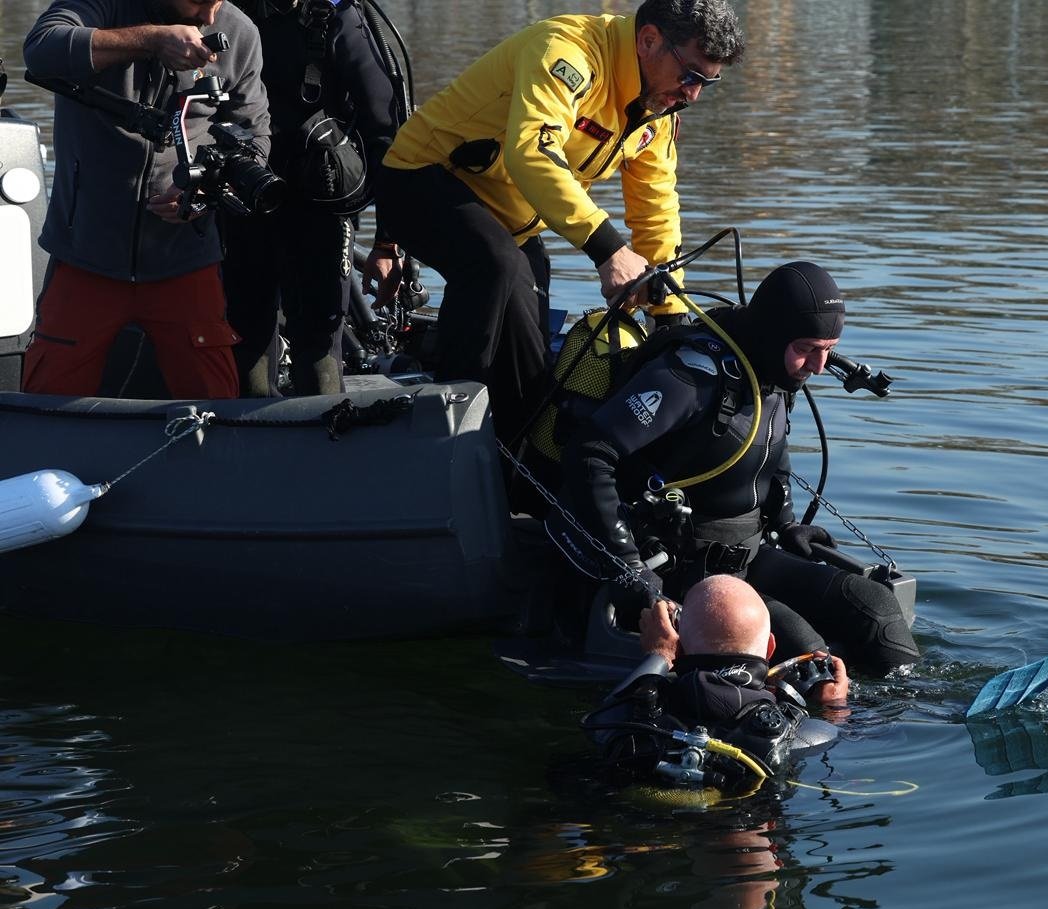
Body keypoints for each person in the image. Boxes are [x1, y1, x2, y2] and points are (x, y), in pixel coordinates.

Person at [371, 0, 744, 457]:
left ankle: (518, 464)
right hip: (419, 176)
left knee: (530, 355)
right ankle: (445, 446)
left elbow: (656, 207)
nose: (693, 94)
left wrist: (668, 315)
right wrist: (608, 250)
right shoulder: (568, 52)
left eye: (708, 82)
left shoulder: (656, 107)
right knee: (494, 268)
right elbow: (531, 152)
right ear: (648, 41)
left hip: (507, 216)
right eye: (691, 75)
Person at [547, 261, 921, 673]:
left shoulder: (772, 374)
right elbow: (591, 451)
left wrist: (786, 521)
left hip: (747, 555)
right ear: (771, 333)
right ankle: (860, 727)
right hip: (679, 568)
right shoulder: (689, 377)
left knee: (875, 607)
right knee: (809, 655)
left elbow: (770, 450)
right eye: (807, 349)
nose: (818, 366)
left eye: (828, 349)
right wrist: (630, 570)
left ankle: (926, 714)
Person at [22, 0, 271, 399]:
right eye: (202, 3)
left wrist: (203, 192)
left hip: (185, 259)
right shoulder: (101, 5)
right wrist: (153, 39)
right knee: (47, 406)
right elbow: (41, 49)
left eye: (219, 3)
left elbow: (255, 136)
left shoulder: (239, 31)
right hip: (85, 255)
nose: (211, 18)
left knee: (216, 411)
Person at [222, 0, 405, 396]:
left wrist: (387, 243)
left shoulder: (339, 20)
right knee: (244, 331)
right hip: (243, 199)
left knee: (319, 341)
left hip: (318, 207)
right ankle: (248, 438)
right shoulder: (223, 14)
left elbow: (388, 137)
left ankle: (323, 437)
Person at [582, 574, 849, 793]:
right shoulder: (806, 733)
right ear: (770, 648)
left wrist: (659, 656)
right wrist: (835, 709)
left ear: (681, 651)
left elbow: (596, 725)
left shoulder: (635, 718)